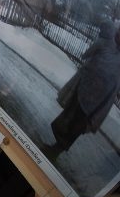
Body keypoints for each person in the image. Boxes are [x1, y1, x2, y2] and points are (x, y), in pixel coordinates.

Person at [46, 21, 120, 159]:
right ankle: (56, 147)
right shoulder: (107, 44)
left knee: (76, 125)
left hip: (95, 103)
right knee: (68, 118)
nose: (118, 35)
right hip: (84, 90)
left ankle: (57, 150)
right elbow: (94, 59)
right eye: (118, 33)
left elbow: (114, 86)